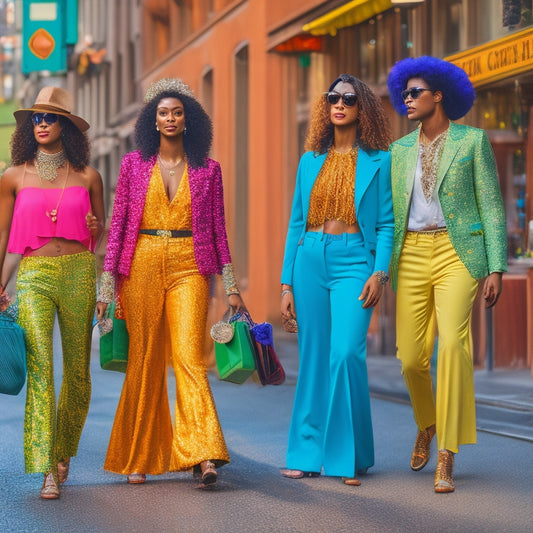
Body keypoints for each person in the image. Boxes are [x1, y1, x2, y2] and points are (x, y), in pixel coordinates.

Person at [95, 78, 244, 488]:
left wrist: (230, 284)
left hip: (190, 265)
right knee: (143, 360)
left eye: (178, 112)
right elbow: (119, 225)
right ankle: (139, 455)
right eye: (163, 112)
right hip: (140, 263)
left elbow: (218, 230)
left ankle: (203, 455)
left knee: (190, 359)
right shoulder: (132, 166)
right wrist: (106, 287)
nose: (171, 118)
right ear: (153, 120)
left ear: (188, 119)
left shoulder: (209, 170)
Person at [387, 56, 507, 493]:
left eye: (415, 92)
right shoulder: (398, 151)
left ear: (439, 95)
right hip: (412, 253)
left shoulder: (472, 141)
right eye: (405, 93)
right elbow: (388, 214)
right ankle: (428, 422)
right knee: (410, 359)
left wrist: (496, 265)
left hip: (459, 251)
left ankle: (447, 454)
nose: (408, 99)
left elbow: (492, 205)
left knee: (454, 346)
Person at [280, 74, 394, 485]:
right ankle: (308, 454)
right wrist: (286, 283)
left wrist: (380, 273)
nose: (339, 104)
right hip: (310, 257)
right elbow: (295, 222)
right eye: (333, 97)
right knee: (313, 358)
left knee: (346, 353)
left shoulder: (380, 161)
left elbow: (386, 225)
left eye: (348, 98)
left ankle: (347, 457)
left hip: (353, 262)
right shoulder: (310, 160)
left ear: (362, 108)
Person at [0, 86, 104, 499]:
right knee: (41, 369)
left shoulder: (88, 177)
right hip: (34, 274)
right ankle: (46, 467)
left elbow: (102, 233)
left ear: (66, 127)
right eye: (35, 119)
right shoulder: (12, 176)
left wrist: (98, 233)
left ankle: (64, 452)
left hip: (79, 272)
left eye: (50, 118)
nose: (41, 124)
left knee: (78, 371)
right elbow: (5, 235)